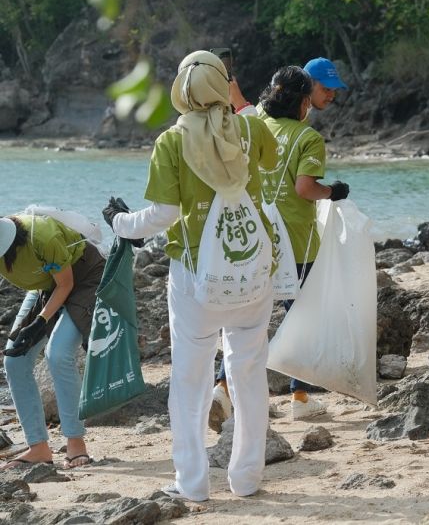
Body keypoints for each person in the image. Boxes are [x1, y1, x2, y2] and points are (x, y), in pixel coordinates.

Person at [106, 50, 278, 502]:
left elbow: (162, 216)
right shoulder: (251, 126)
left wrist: (120, 224)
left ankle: (193, 483)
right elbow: (270, 161)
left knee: (189, 382)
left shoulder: (171, 142)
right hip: (254, 274)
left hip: (196, 281)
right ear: (222, 84)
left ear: (181, 90)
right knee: (248, 375)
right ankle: (246, 479)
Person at [209, 65, 349, 429]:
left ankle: (222, 389)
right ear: (304, 102)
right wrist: (333, 191)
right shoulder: (308, 138)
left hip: (254, 240)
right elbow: (305, 189)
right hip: (298, 244)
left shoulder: (256, 127)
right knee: (299, 319)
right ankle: (300, 398)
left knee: (243, 323)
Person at [0, 214, 103, 470]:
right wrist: (37, 321)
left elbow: (65, 284)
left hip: (84, 277)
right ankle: (38, 448)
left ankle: (76, 442)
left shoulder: (43, 237)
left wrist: (41, 322)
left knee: (58, 354)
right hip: (47, 285)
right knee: (14, 360)